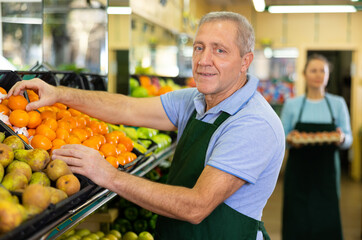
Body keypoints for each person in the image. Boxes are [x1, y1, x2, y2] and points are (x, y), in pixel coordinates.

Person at [8, 12, 285, 240]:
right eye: (199, 47)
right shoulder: (196, 100)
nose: (203, 60)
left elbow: (196, 206)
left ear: (245, 62)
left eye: (219, 50)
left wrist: (108, 175)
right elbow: (125, 108)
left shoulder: (253, 123)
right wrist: (59, 93)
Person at [280, 54, 353, 240]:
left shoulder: (337, 104)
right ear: (304, 74)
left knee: (326, 223)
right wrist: (290, 138)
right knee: (297, 222)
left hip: (326, 177)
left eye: (323, 70)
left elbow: (348, 138)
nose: (318, 74)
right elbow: (281, 138)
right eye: (314, 70)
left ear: (328, 75)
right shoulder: (292, 104)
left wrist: (342, 138)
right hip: (298, 175)